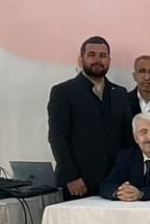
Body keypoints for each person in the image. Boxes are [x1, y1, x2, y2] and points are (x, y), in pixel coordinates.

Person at [47, 35, 132, 199]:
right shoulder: (63, 92)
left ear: (109, 60)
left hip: (114, 183)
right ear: (81, 59)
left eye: (103, 56)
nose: (97, 60)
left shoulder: (120, 93)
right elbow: (57, 137)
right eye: (91, 55)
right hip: (77, 185)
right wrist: (71, 176)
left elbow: (127, 138)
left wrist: (127, 174)